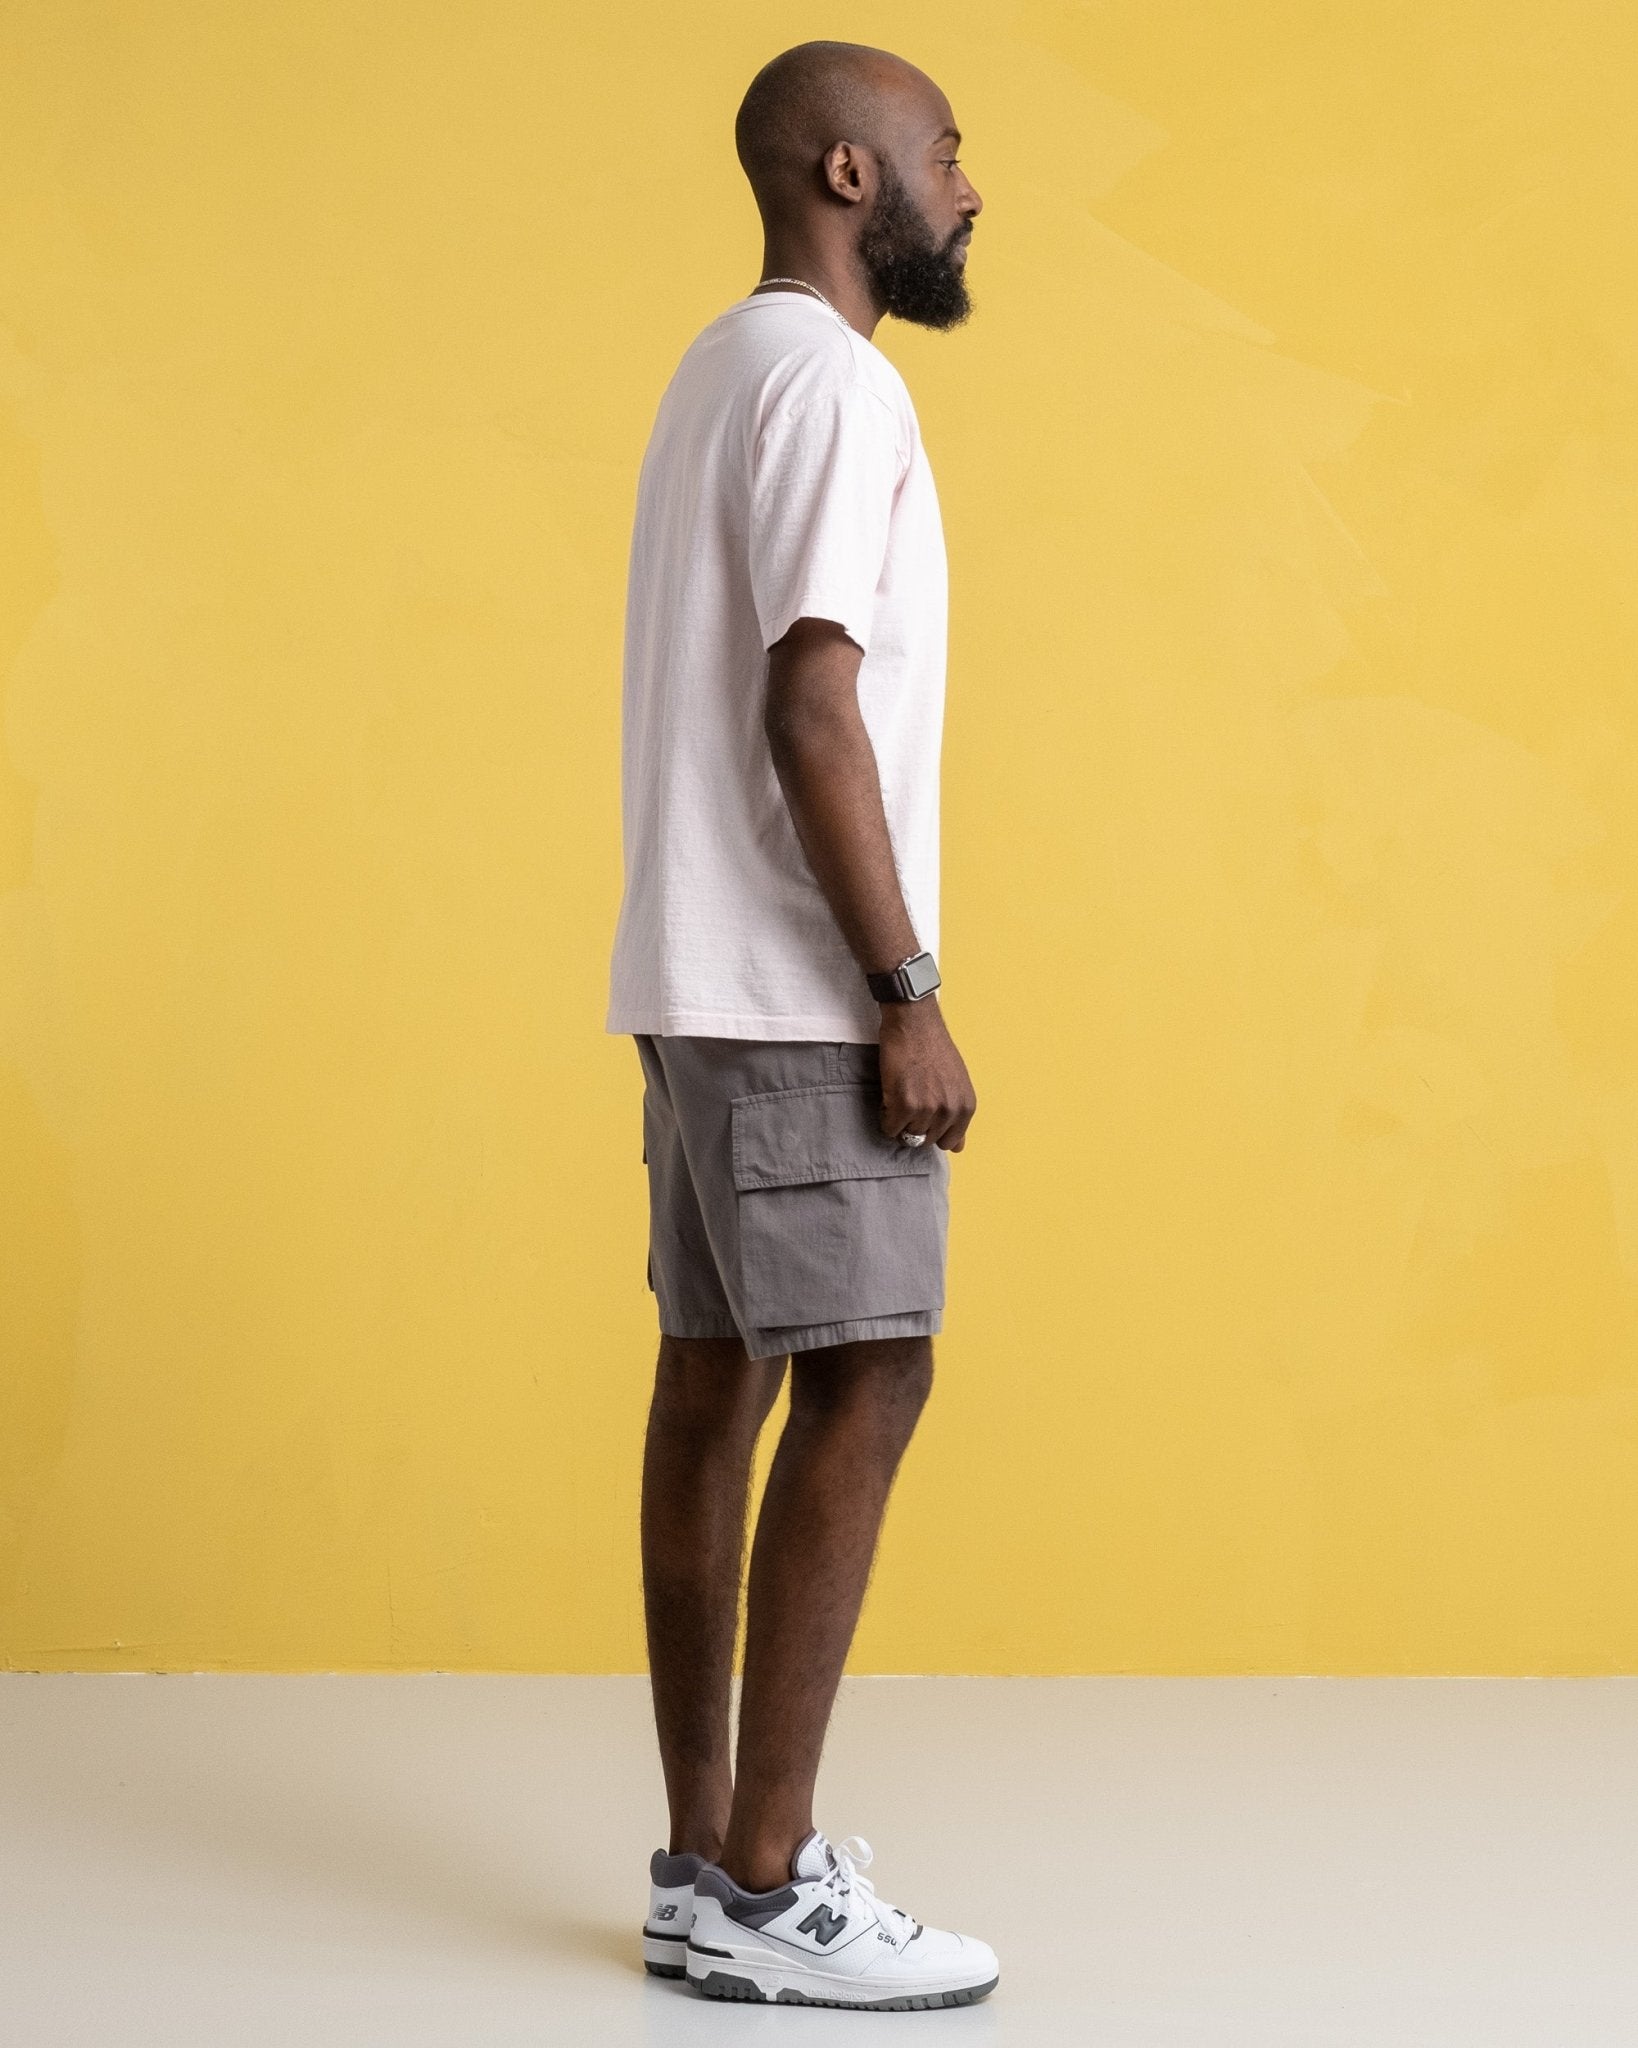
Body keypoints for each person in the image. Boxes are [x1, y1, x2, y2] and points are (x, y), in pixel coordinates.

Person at [605, 39, 995, 2011]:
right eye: (946, 151)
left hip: (692, 978)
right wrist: (902, 991)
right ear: (851, 174)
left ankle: (705, 1865)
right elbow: (810, 701)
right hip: (792, 993)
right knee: (870, 1372)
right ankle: (766, 1886)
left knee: (713, 1379)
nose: (970, 188)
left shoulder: (719, 367)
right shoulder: (837, 384)